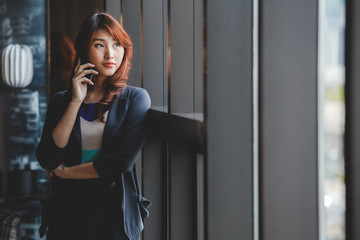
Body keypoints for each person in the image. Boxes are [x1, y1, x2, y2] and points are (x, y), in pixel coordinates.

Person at [36, 12, 151, 240]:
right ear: (84, 50)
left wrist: (66, 173)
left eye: (117, 44)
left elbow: (120, 162)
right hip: (68, 213)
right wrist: (75, 101)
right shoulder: (62, 100)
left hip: (112, 215)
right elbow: (48, 158)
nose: (110, 54)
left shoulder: (135, 99)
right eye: (100, 45)